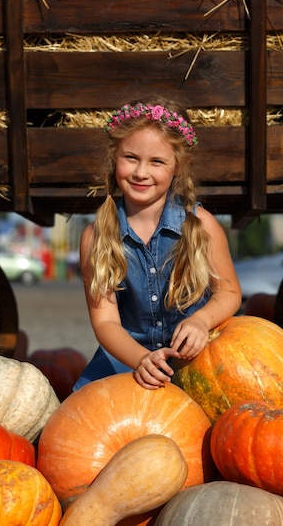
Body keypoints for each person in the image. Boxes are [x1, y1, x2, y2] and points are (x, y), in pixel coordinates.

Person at [74, 101, 242, 391]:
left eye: (157, 162)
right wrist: (141, 358)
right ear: (114, 158)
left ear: (178, 166)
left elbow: (228, 292)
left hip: (196, 356)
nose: (141, 172)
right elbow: (106, 323)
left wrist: (201, 321)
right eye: (130, 157)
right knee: (78, 422)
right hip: (129, 357)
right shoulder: (96, 236)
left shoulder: (201, 226)